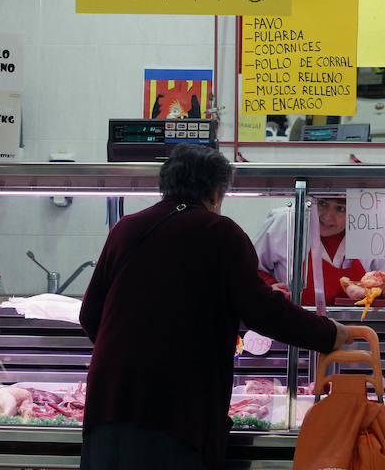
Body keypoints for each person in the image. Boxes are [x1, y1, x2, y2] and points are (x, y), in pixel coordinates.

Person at [79, 144, 353, 470]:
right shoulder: (219, 232)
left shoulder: (126, 229)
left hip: (108, 406)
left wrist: (131, 358)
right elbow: (262, 310)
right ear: (217, 190)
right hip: (177, 413)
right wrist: (328, 333)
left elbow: (89, 314)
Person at [253, 197, 385, 306]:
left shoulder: (369, 232)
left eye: (340, 209)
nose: (327, 216)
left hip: (353, 331)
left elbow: (384, 285)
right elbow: (249, 269)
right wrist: (268, 287)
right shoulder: (287, 222)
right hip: (292, 327)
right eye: (323, 204)